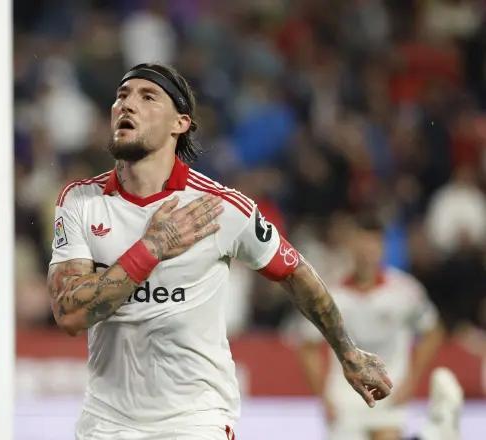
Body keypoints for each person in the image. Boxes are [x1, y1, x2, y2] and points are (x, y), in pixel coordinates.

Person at [46, 63, 393, 440]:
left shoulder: (220, 208)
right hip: (105, 423)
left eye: (148, 97)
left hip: (195, 420)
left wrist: (347, 351)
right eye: (122, 95)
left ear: (180, 123)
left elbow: (295, 272)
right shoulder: (81, 201)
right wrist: (152, 248)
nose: (127, 104)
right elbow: (70, 314)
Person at [295, 214, 444, 440]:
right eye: (361, 244)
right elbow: (308, 346)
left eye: (373, 245)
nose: (367, 253)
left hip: (390, 393)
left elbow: (433, 332)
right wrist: (323, 397)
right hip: (344, 400)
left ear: (382, 247)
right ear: (351, 246)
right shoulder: (331, 293)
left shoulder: (404, 291)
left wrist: (412, 381)